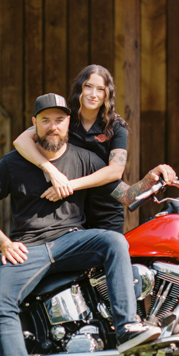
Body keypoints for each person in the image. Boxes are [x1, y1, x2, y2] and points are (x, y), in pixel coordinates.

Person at [0, 93, 176, 356]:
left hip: (71, 242)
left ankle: (126, 328)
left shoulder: (84, 158)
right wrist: (4, 243)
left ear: (68, 123)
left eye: (59, 120)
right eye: (45, 120)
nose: (53, 126)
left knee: (113, 241)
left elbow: (126, 194)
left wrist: (150, 178)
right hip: (29, 247)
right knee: (1, 298)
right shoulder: (12, 163)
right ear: (34, 125)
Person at [13, 65, 127, 233]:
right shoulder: (64, 120)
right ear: (79, 87)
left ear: (106, 94)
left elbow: (115, 171)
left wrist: (70, 185)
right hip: (69, 210)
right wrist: (52, 172)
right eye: (88, 86)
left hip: (105, 211)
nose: (93, 94)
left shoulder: (116, 126)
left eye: (100, 89)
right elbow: (20, 141)